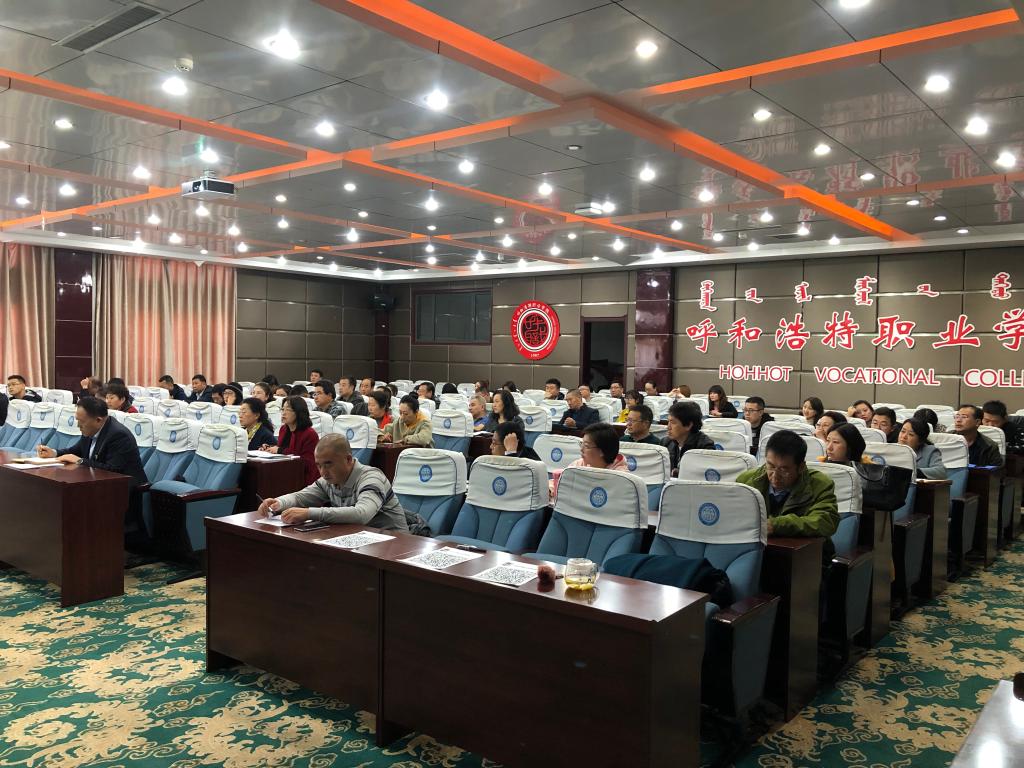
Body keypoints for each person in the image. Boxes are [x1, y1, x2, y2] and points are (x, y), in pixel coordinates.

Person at [257, 434, 408, 530]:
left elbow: (362, 514)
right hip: (361, 541)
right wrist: (278, 503)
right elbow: (300, 497)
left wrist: (309, 513)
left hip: (395, 545)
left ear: (348, 459)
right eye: (319, 465)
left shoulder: (371, 478)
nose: (323, 472)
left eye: (328, 464)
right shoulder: (328, 480)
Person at [738, 430, 839, 544]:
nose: (775, 476)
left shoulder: (819, 484)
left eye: (783, 470)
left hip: (805, 551)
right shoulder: (747, 481)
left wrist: (776, 525)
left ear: (801, 467)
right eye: (771, 466)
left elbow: (825, 522)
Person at [35, 396, 147, 486]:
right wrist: (54, 453)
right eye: (77, 420)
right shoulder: (91, 429)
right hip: (97, 484)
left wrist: (80, 461)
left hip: (122, 490)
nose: (78, 425)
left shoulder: (118, 435)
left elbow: (113, 470)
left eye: (81, 422)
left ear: (98, 420)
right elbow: (76, 450)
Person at [261, 396, 320, 485]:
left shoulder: (310, 434)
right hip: (285, 471)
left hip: (303, 478)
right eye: (282, 409)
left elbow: (306, 462)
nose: (283, 413)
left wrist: (280, 450)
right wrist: (270, 449)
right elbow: (282, 449)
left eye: (288, 410)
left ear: (298, 412)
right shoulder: (283, 429)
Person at [663, 400, 715, 475]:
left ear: (688, 425)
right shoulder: (665, 442)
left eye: (673, 422)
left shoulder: (705, 446)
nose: (668, 427)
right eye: (668, 422)